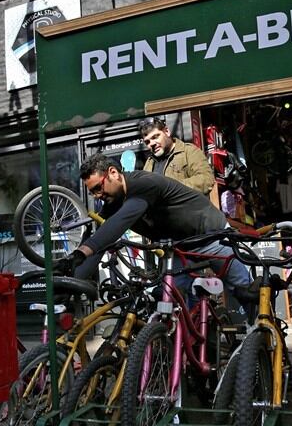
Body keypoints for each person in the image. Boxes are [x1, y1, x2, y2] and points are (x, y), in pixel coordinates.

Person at [56, 153, 251, 296]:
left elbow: (117, 225)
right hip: (180, 249)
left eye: (98, 187)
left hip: (212, 236)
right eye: (92, 192)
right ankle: (201, 344)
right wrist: (73, 280)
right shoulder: (113, 200)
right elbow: (103, 239)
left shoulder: (143, 184)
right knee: (170, 299)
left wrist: (81, 253)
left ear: (113, 173)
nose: (97, 195)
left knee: (246, 292)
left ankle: (261, 342)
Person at [139, 117, 215, 196]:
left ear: (167, 132)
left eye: (155, 137)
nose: (152, 143)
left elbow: (207, 180)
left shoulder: (188, 151)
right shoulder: (149, 163)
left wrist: (171, 188)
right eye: (147, 142)